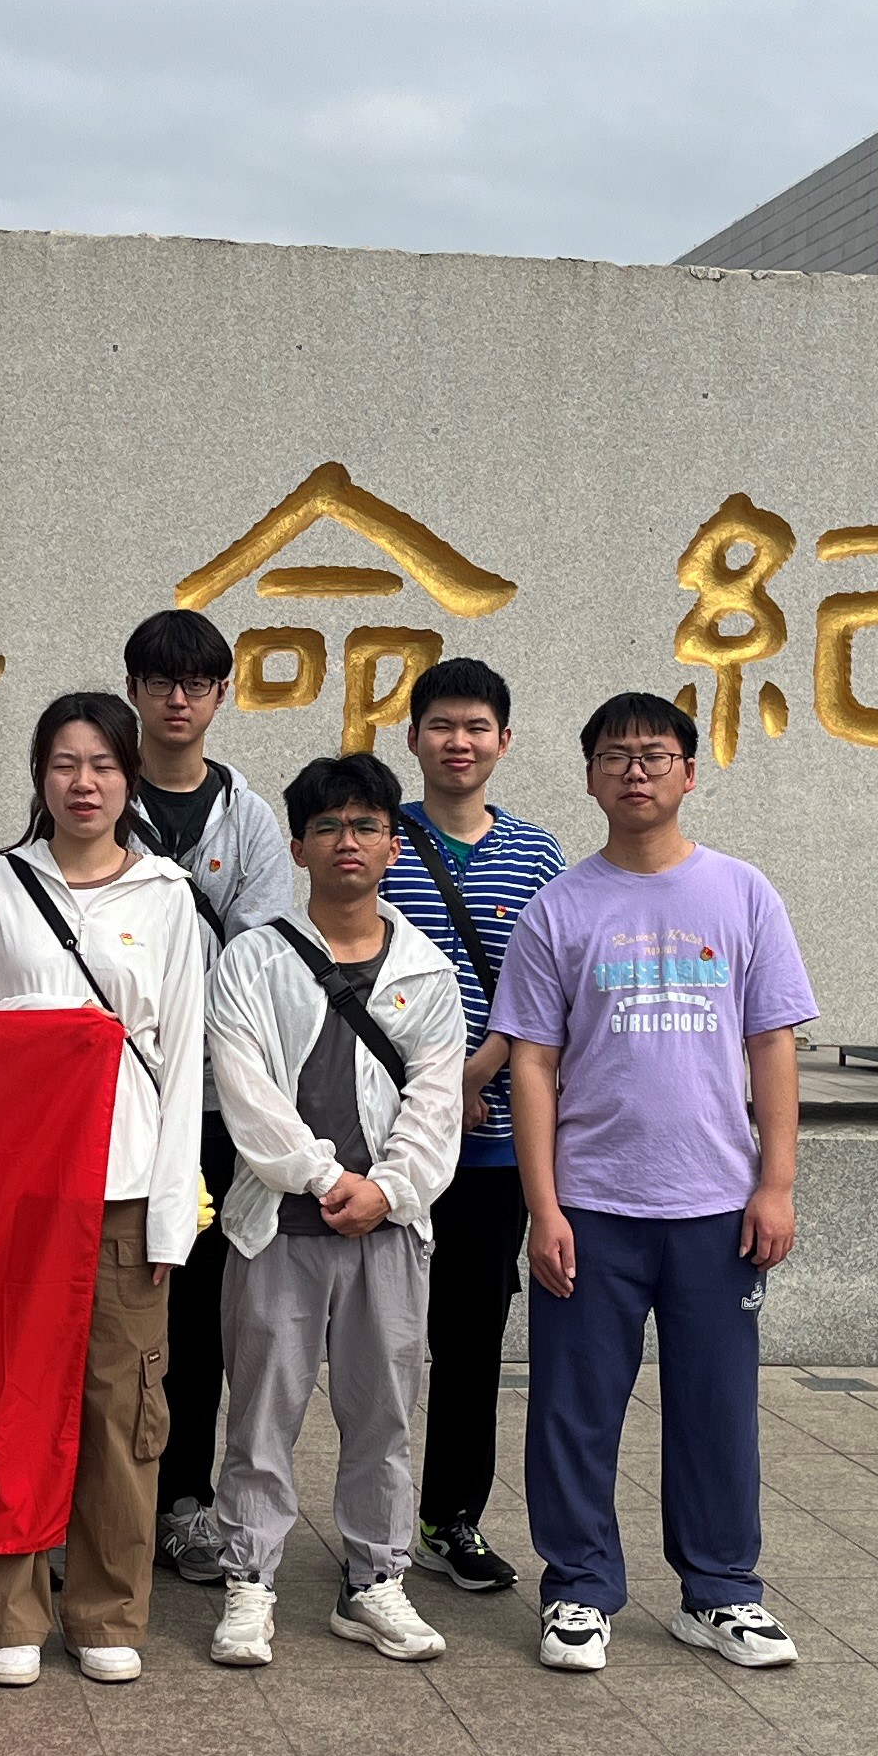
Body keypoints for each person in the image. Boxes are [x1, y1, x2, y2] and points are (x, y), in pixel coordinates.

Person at [497, 692, 816, 1676]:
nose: (635, 771)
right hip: (593, 1205)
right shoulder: (560, 907)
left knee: (716, 1407)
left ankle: (720, 1593)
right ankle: (578, 1589)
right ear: (591, 777)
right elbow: (533, 1064)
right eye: (615, 756)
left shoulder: (743, 895)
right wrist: (544, 1207)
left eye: (654, 755)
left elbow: (772, 1045)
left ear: (688, 773)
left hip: (715, 1204)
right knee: (574, 1408)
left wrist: (776, 1184)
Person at [0, 692, 207, 1686]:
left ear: (130, 780)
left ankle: (106, 1611)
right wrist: (46, 1032)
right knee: (6, 1402)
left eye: (102, 765)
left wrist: (173, 1219)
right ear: (40, 776)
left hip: (125, 1191)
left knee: (120, 1412)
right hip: (15, 1197)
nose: (83, 783)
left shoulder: (168, 897)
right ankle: (4, 1609)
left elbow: (184, 1062)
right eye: (64, 764)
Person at [203, 751, 465, 1669]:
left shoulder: (428, 973)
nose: (346, 841)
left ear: (393, 845)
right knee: (261, 1414)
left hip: (388, 1232)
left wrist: (387, 1188)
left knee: (383, 1414)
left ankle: (374, 1580)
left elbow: (437, 1103)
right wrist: (323, 1179)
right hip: (278, 1226)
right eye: (326, 826)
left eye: (365, 826)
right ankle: (250, 1579)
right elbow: (246, 1095)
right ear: (297, 846)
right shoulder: (253, 959)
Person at [375, 656, 564, 1596]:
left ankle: (450, 1516)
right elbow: (347, 973)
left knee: (469, 1340)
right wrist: (427, 1088)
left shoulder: (537, 856)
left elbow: (553, 989)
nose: (459, 742)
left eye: (477, 726)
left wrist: (480, 1071)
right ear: (412, 737)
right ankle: (367, 1524)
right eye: (442, 725)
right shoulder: (378, 839)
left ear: (504, 741)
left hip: (489, 1149)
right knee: (373, 1342)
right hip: (381, 1140)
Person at [118, 607, 296, 1587]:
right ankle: (102, 1498)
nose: (178, 699)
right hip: (120, 1098)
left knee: (196, 1315)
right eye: (161, 681)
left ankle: (184, 1499)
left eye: (197, 683)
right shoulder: (102, 792)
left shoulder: (249, 817)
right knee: (113, 1301)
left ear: (222, 695)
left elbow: (259, 959)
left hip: (216, 1106)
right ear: (134, 690)